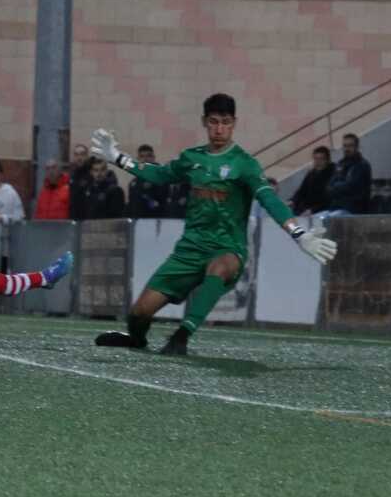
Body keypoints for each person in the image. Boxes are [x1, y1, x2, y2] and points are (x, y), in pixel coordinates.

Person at [90, 93, 337, 355]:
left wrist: (298, 233)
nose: (220, 129)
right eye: (214, 122)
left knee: (220, 268)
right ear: (204, 122)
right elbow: (159, 174)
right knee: (139, 312)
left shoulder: (245, 164)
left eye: (226, 122)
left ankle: (182, 336)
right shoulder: (191, 158)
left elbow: (268, 199)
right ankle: (137, 339)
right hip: (189, 250)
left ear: (234, 124)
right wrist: (117, 157)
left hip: (228, 247)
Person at [322, 133, 371, 217]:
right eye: (345, 146)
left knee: (325, 220)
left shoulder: (362, 165)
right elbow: (329, 187)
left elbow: (351, 186)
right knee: (313, 220)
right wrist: (339, 186)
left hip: (353, 209)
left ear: (357, 147)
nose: (347, 149)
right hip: (336, 208)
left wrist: (336, 186)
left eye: (350, 146)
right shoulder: (340, 164)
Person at [289, 146, 335, 215]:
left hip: (323, 210)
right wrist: (292, 201)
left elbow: (328, 198)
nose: (318, 162)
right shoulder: (312, 174)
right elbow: (301, 191)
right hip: (306, 209)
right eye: (316, 159)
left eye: (321, 159)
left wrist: (313, 210)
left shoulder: (333, 174)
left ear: (327, 160)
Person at [128, 144, 170, 218]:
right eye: (142, 156)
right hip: (137, 222)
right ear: (138, 159)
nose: (145, 159)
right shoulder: (133, 182)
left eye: (148, 156)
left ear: (153, 158)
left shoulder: (160, 177)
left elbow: (163, 202)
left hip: (155, 221)